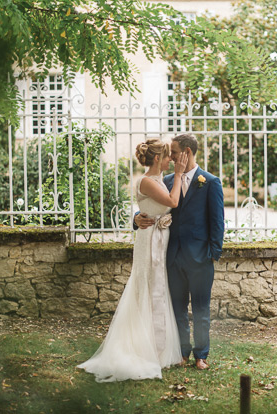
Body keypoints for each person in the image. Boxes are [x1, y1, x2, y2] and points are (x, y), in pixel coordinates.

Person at [78, 138, 188, 382]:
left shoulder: (158, 180)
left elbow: (155, 207)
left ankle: (158, 347)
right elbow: (172, 202)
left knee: (157, 288)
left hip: (159, 239)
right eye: (168, 156)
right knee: (147, 287)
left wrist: (139, 215)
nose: (172, 160)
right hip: (149, 241)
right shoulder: (147, 181)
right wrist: (179, 174)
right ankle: (143, 348)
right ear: (158, 158)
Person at [135, 134, 225, 370]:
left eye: (174, 152)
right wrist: (136, 219)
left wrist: (213, 254)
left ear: (186, 152)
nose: (171, 156)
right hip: (171, 256)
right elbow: (147, 206)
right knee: (177, 309)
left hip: (200, 258)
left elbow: (217, 223)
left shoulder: (210, 182)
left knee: (201, 309)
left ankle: (201, 355)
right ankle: (182, 352)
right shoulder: (164, 180)